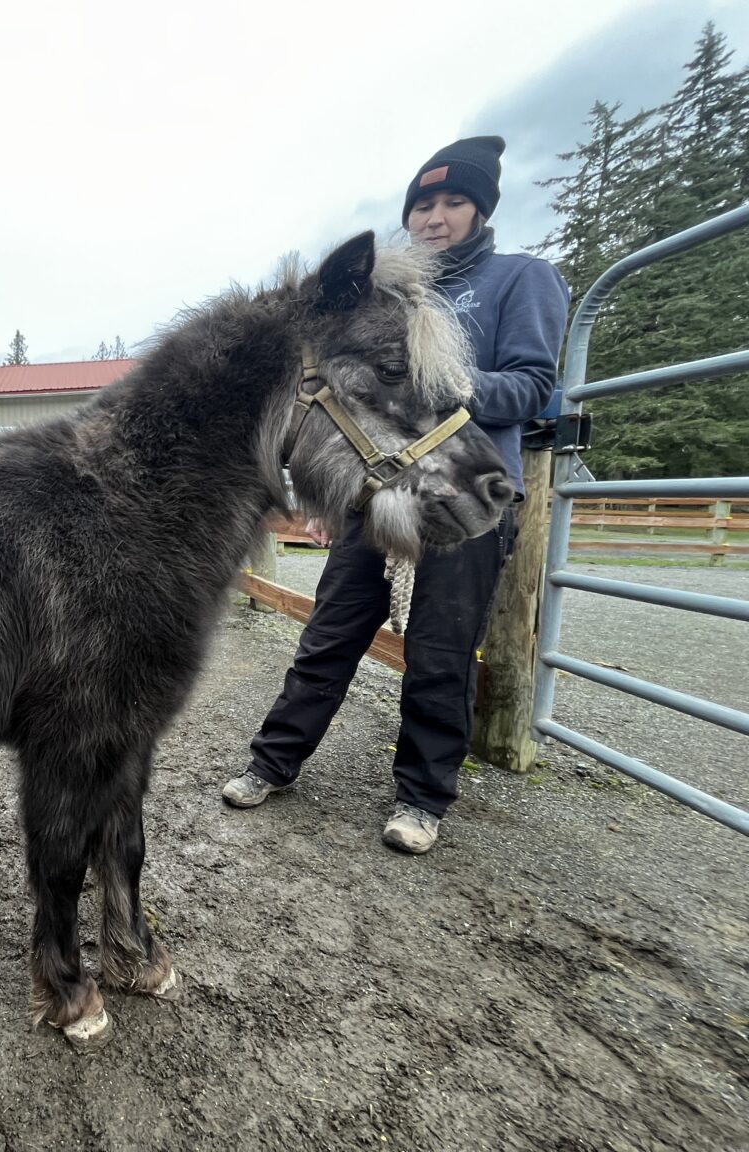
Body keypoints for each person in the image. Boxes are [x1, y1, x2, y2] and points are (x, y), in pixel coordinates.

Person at [221, 136, 570, 853]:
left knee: (442, 652)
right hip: (379, 491)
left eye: (454, 202)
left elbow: (534, 386)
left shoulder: (519, 279)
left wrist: (440, 380)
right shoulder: (390, 299)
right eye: (422, 205)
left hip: (460, 492)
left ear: (481, 210)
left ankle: (421, 795)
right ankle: (273, 761)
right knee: (328, 635)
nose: (435, 218)